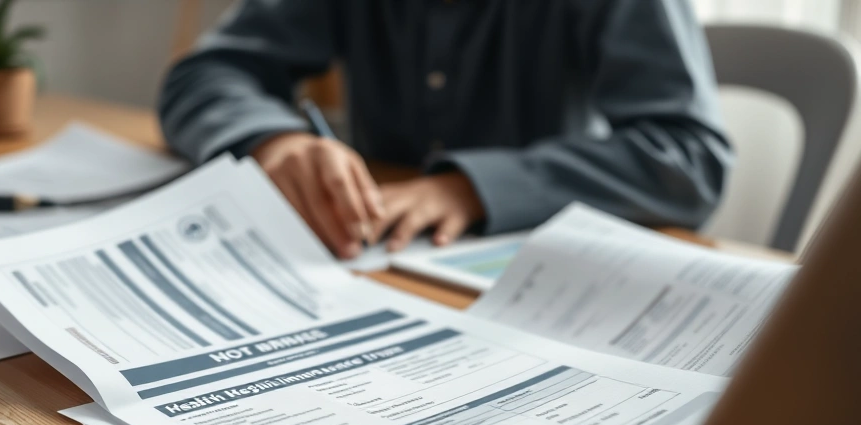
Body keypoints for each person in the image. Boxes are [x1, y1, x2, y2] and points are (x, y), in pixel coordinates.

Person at [159, 0, 732, 260]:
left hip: (535, 275)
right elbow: (204, 74)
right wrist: (274, 140)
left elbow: (689, 156)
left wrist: (466, 188)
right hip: (368, 261)